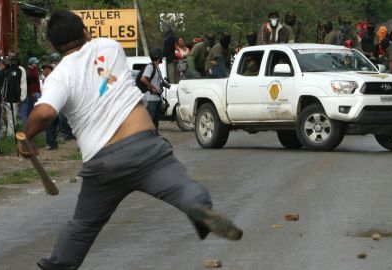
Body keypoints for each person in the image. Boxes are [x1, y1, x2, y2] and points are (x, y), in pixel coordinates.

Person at [18, 10, 243, 270]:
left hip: (103, 163)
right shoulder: (109, 46)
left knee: (83, 225)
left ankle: (58, 266)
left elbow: (45, 112)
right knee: (184, 189)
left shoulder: (59, 75)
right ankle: (198, 208)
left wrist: (25, 136)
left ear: (53, 46)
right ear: (84, 31)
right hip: (145, 148)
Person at [2, 51, 27, 138]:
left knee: (12, 119)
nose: (10, 58)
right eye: (9, 56)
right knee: (1, 117)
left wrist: (22, 98)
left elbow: (23, 84)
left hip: (14, 98)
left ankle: (10, 136)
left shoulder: (20, 69)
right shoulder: (4, 68)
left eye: (13, 57)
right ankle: (2, 133)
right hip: (2, 97)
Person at [140, 48, 164, 133]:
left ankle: (154, 139)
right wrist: (152, 87)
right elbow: (143, 79)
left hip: (156, 99)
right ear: (157, 56)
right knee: (149, 124)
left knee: (155, 123)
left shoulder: (157, 68)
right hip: (151, 99)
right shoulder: (150, 66)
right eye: (161, 56)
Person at [42, 63, 60, 150]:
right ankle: (52, 143)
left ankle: (51, 143)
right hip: (49, 104)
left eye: (47, 69)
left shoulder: (54, 79)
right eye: (44, 69)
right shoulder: (45, 80)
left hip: (54, 104)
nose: (45, 71)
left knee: (52, 124)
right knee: (51, 124)